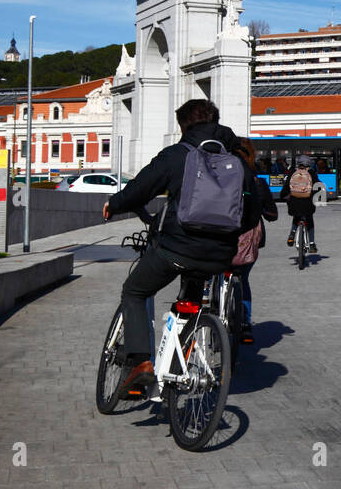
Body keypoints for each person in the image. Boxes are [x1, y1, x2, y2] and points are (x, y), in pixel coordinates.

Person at [101, 99, 269, 398]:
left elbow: (139, 189)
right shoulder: (238, 162)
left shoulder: (177, 155)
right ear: (215, 121)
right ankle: (176, 366)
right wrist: (224, 235)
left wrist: (113, 205)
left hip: (175, 251)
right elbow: (253, 211)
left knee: (135, 292)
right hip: (219, 257)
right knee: (188, 301)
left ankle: (140, 363)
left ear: (183, 126)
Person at [230, 139, 278, 344]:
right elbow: (273, 214)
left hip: (220, 239)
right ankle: (245, 325)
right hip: (248, 242)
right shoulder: (257, 182)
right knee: (243, 280)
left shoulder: (220, 177)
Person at [279, 155, 319, 255]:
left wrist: (283, 196)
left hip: (294, 203)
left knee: (296, 215)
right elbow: (318, 186)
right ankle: (312, 244)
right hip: (307, 203)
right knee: (309, 219)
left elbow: (286, 188)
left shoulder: (293, 172)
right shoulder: (311, 173)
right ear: (309, 164)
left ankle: (292, 234)